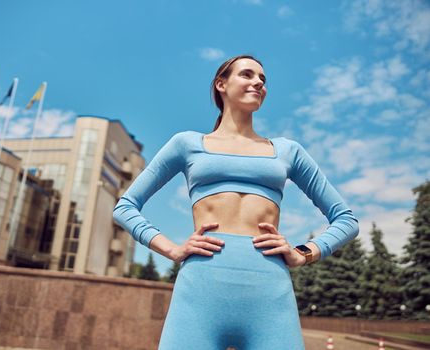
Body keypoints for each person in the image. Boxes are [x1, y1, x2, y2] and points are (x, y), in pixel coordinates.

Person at [113, 54, 359, 350]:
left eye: (263, 79)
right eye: (247, 74)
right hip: (200, 293)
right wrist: (173, 249)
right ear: (221, 84)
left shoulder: (287, 151)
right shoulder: (187, 144)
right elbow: (125, 207)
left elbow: (346, 219)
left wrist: (303, 253)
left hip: (270, 297)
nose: (258, 82)